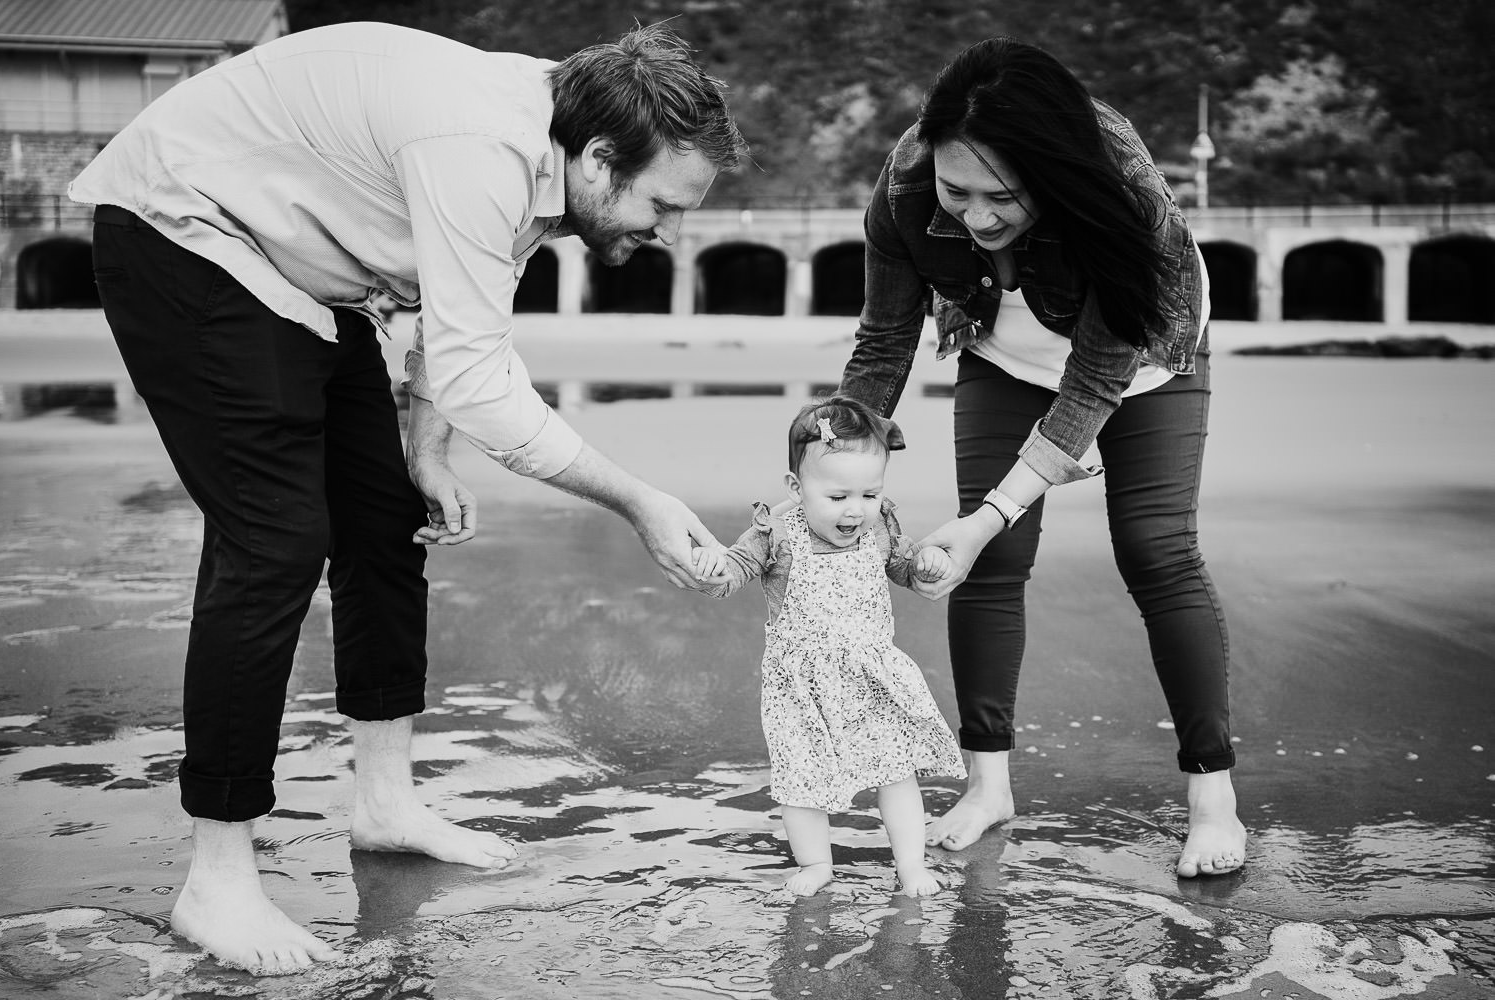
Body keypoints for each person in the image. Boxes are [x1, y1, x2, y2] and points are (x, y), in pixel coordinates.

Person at [68, 21, 745, 975]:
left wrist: (426, 449)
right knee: (275, 541)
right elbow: (482, 377)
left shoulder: (548, 150)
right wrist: (637, 499)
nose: (668, 232)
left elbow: (462, 309)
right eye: (663, 205)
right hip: (184, 232)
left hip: (306, 273)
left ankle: (385, 804)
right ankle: (216, 876)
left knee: (389, 516)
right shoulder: (481, 145)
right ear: (599, 158)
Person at [836, 37, 1247, 878]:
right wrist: (829, 471)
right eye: (960, 192)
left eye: (1004, 197)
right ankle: (989, 787)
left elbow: (1096, 378)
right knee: (983, 568)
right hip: (1001, 351)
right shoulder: (908, 184)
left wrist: (993, 511)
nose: (978, 218)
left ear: (1053, 177)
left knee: (1155, 550)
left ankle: (1214, 801)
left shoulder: (1123, 194)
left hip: (1143, 360)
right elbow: (884, 340)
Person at [692, 397, 966, 897]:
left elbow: (904, 564)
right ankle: (816, 864)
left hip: (872, 678)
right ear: (796, 489)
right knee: (801, 781)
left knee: (896, 772)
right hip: (799, 686)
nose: (855, 509)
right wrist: (714, 569)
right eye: (838, 497)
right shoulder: (775, 535)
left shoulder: (878, 526)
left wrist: (927, 561)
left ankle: (911, 867)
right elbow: (734, 571)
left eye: (869, 494)